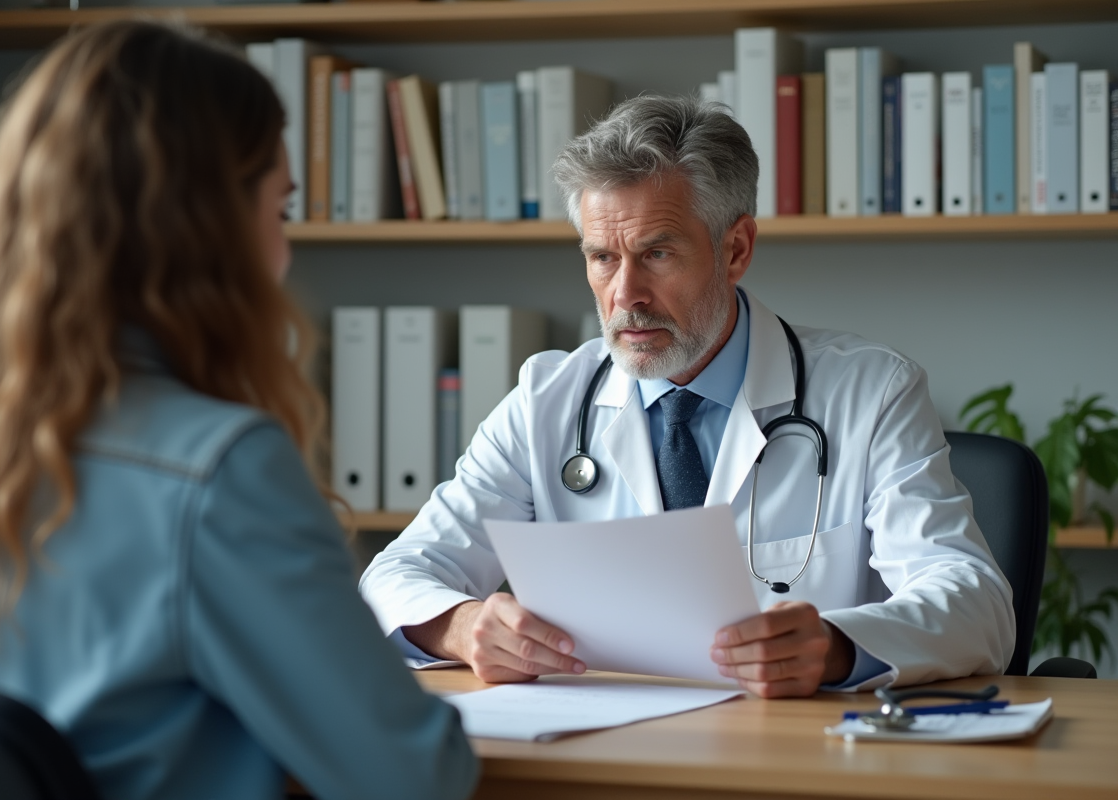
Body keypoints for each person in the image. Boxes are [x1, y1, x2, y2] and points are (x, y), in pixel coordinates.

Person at [0, 21, 477, 800]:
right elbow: (413, 776)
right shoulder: (218, 470)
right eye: (278, 211)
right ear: (206, 230)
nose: (284, 255)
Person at [359, 95, 1016, 698]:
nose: (625, 296)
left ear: (735, 249)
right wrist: (462, 626)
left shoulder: (870, 392)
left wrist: (837, 646)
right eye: (602, 258)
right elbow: (394, 576)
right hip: (605, 761)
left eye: (658, 253)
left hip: (794, 759)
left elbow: (976, 603)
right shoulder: (546, 400)